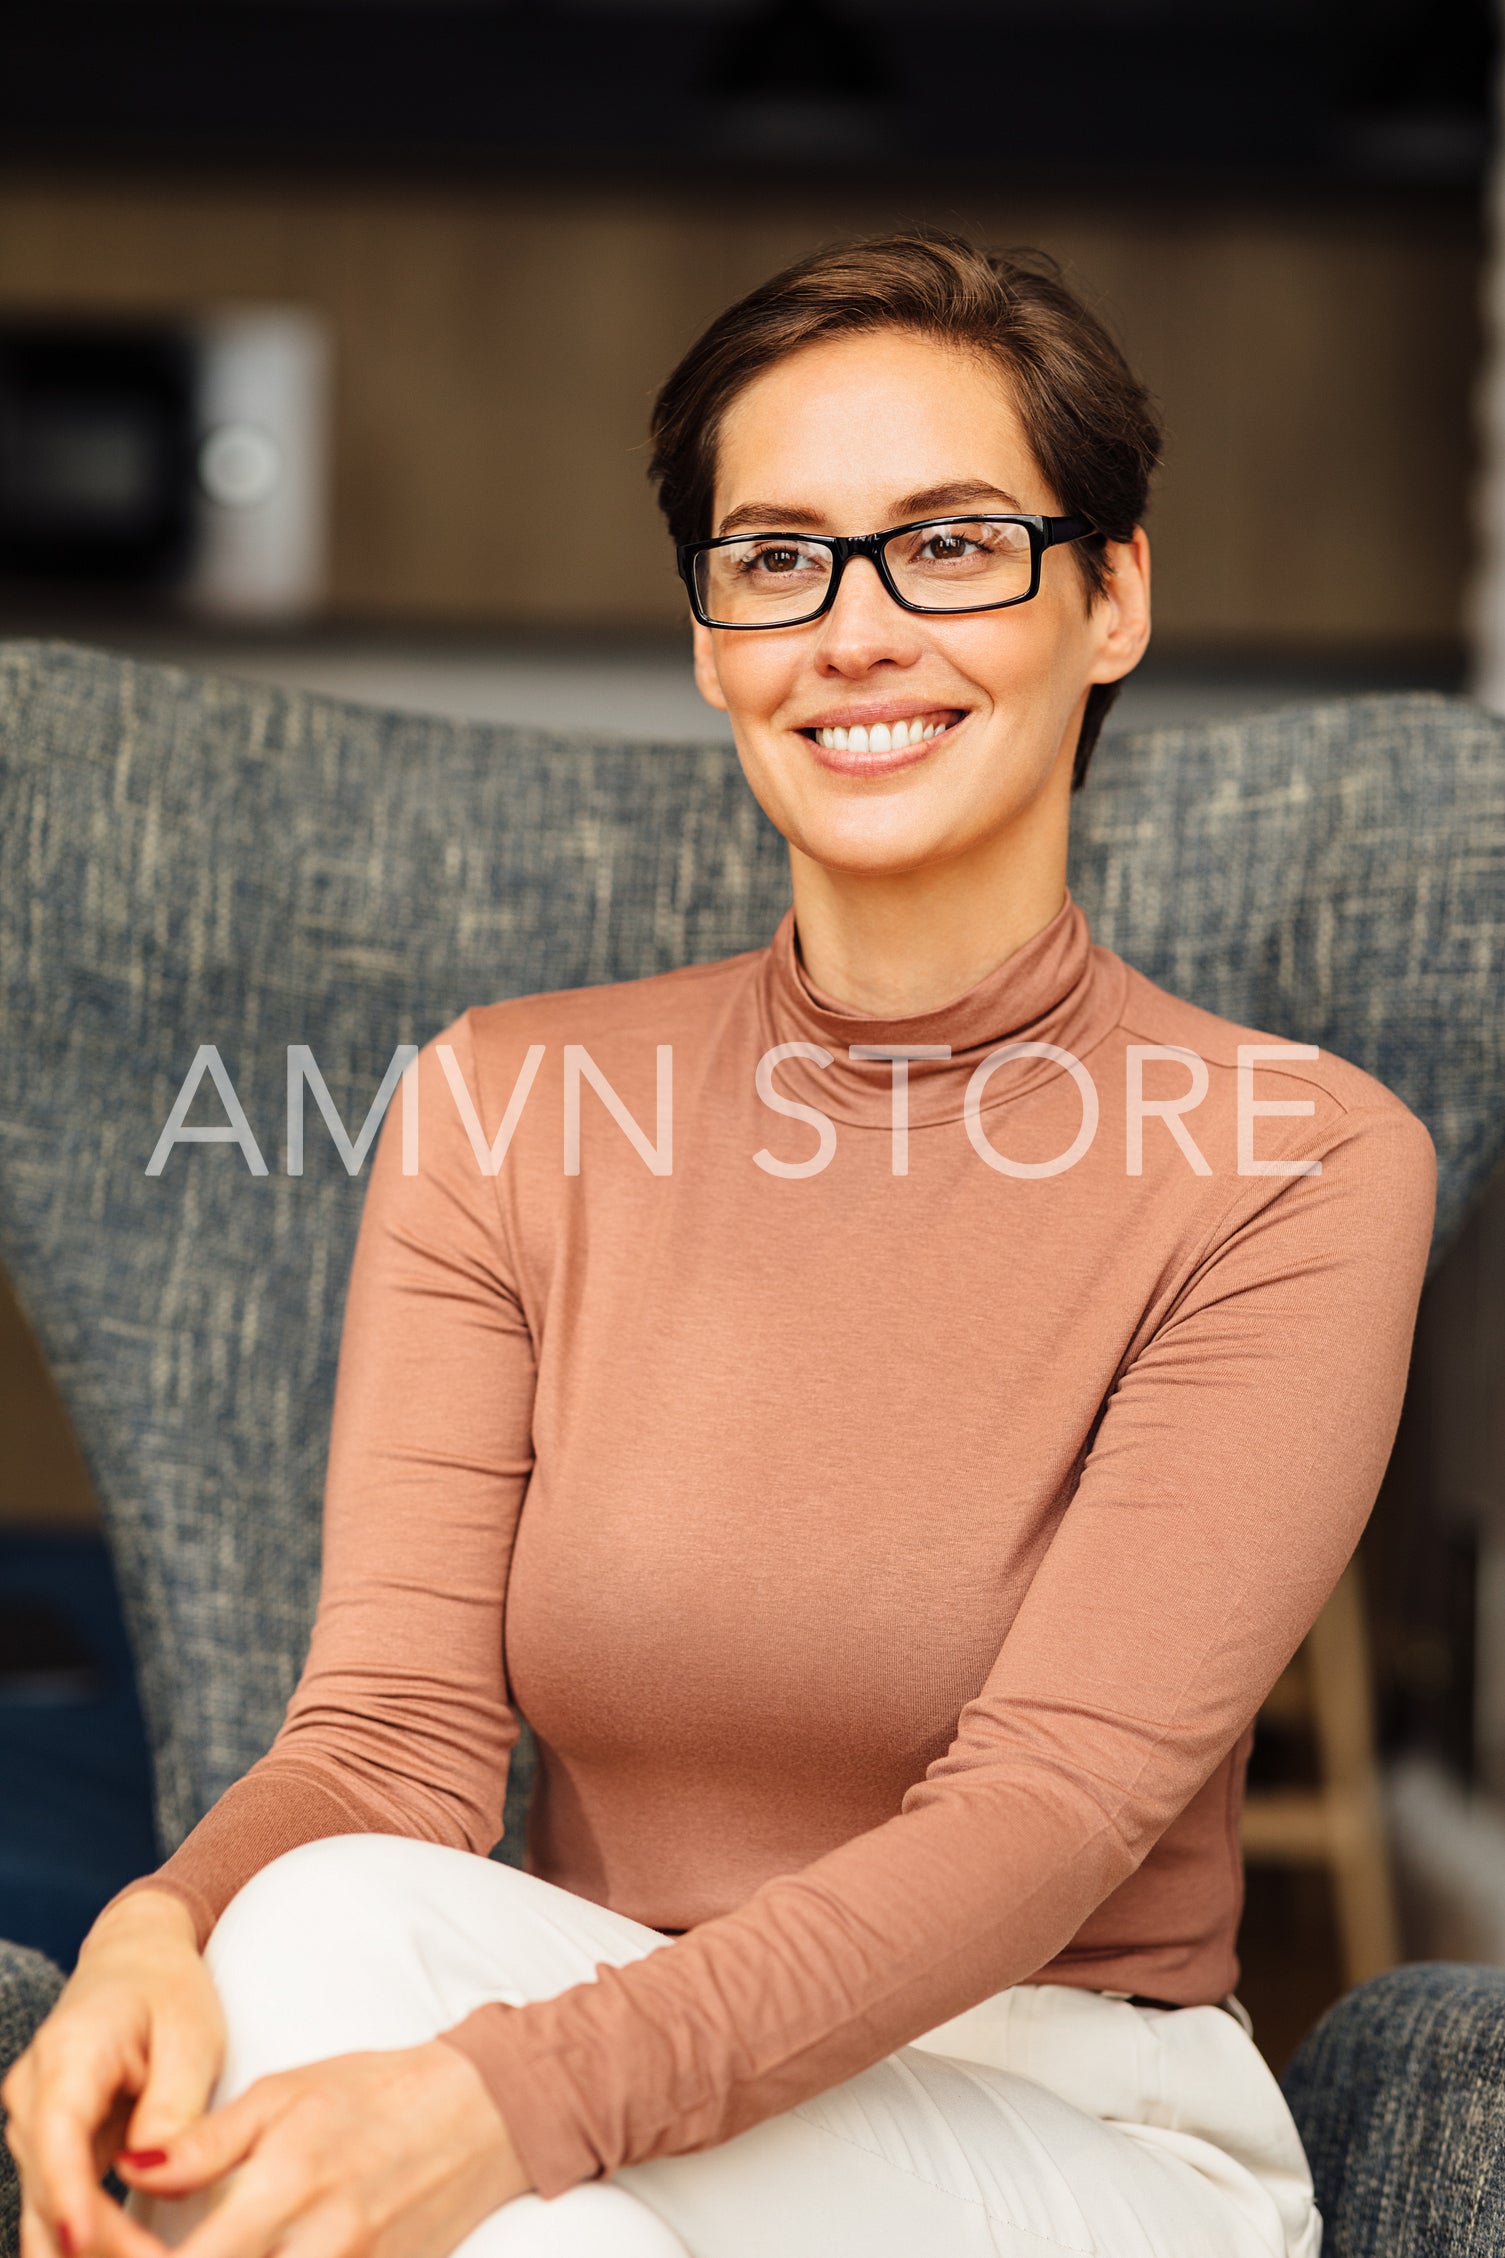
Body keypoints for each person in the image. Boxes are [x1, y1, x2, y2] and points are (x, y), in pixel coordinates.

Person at [3, 231, 1436, 2258]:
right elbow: (386, 1744)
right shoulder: (502, 1100)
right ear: (709, 637)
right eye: (778, 556)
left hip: (1059, 2115)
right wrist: (159, 1937)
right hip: (604, 2065)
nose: (854, 629)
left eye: (950, 544)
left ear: (1110, 596)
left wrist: (504, 2106)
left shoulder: (1293, 1161)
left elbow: (1047, 1816)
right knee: (316, 1930)